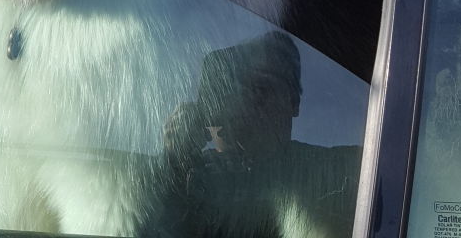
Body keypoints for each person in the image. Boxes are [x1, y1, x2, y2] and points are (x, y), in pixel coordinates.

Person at [151, 32, 360, 238]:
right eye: (224, 95)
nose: (242, 105)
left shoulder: (340, 171)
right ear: (208, 116)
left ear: (294, 102)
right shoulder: (188, 178)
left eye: (261, 89)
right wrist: (173, 162)